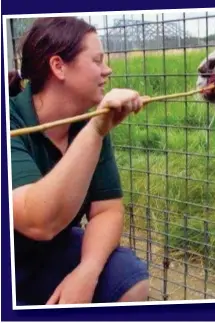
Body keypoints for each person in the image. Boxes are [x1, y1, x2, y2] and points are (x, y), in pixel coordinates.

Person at [8, 16, 150, 305]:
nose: (107, 70)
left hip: (50, 253)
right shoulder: (9, 121)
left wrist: (87, 272)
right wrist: (96, 131)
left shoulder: (90, 123)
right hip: (9, 263)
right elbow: (38, 221)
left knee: (128, 278)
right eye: (97, 60)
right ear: (58, 66)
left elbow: (107, 211)